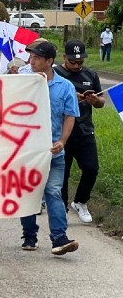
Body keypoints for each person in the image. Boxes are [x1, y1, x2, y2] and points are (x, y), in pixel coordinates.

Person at [20, 41, 80, 255]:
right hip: (27, 152)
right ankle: (29, 234)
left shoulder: (65, 87)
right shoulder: (23, 83)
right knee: (29, 194)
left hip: (54, 152)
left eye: (36, 58)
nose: (32, 61)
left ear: (49, 61)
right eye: (31, 57)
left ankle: (59, 238)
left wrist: (62, 141)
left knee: (54, 191)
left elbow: (69, 116)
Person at [54, 40, 105, 223]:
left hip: (84, 130)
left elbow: (101, 101)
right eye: (73, 62)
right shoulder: (55, 74)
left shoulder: (90, 74)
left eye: (80, 62)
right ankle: (62, 208)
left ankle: (80, 202)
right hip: (61, 133)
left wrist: (94, 101)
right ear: (64, 58)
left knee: (91, 169)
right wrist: (69, 95)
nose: (77, 66)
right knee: (63, 173)